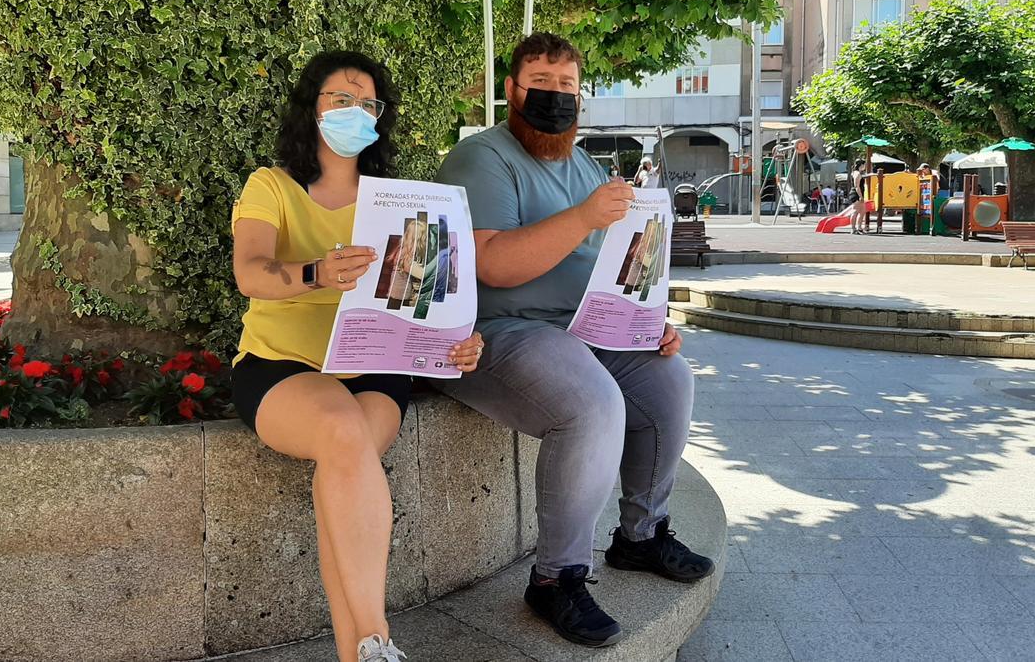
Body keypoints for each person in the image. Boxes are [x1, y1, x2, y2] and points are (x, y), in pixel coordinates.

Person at [433, 33, 713, 649]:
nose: (555, 97)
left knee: (669, 381)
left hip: (581, 328)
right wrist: (585, 216)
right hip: (495, 335)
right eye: (540, 82)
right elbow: (494, 266)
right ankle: (556, 578)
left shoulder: (583, 165)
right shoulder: (483, 158)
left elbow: (606, 264)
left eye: (566, 86)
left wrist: (645, 321)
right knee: (594, 404)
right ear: (510, 90)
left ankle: (640, 535)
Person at [229, 51, 485, 662]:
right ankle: (377, 641)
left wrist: (454, 346)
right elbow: (251, 273)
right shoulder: (271, 186)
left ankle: (363, 655)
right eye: (340, 99)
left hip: (375, 366)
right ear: (310, 108)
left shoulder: (398, 202)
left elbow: (427, 298)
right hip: (279, 366)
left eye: (368, 103)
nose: (355, 111)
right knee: (343, 437)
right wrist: (316, 272)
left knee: (341, 466)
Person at [848, 159, 869, 234]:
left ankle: (859, 227)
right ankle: (853, 229)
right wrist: (860, 196)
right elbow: (857, 186)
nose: (865, 166)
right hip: (856, 194)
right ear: (861, 165)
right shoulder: (857, 174)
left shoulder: (857, 173)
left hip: (859, 193)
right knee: (855, 211)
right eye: (864, 165)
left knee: (862, 211)